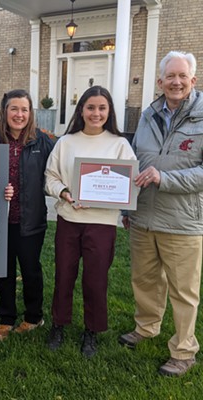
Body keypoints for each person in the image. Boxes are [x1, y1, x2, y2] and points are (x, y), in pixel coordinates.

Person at [119, 51, 203, 376]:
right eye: (171, 76)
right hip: (143, 215)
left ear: (193, 80)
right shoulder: (148, 115)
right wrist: (127, 205)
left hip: (183, 220)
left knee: (184, 290)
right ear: (160, 81)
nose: (177, 82)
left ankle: (183, 350)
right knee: (144, 279)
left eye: (183, 76)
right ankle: (146, 327)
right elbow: (135, 160)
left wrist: (164, 178)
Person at [45, 86, 136, 357]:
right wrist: (64, 193)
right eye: (91, 108)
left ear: (109, 112)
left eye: (102, 108)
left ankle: (91, 331)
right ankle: (59, 324)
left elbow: (129, 183)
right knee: (63, 275)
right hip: (69, 218)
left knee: (96, 279)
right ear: (81, 110)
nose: (96, 113)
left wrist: (122, 203)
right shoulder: (66, 142)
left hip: (103, 222)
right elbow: (50, 177)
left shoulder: (119, 144)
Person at [0, 89, 54, 341]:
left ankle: (33, 316)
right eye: (14, 109)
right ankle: (6, 317)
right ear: (4, 112)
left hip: (31, 220)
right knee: (3, 271)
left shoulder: (43, 142)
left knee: (30, 270)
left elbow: (61, 170)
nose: (19, 114)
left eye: (24, 109)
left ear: (31, 113)